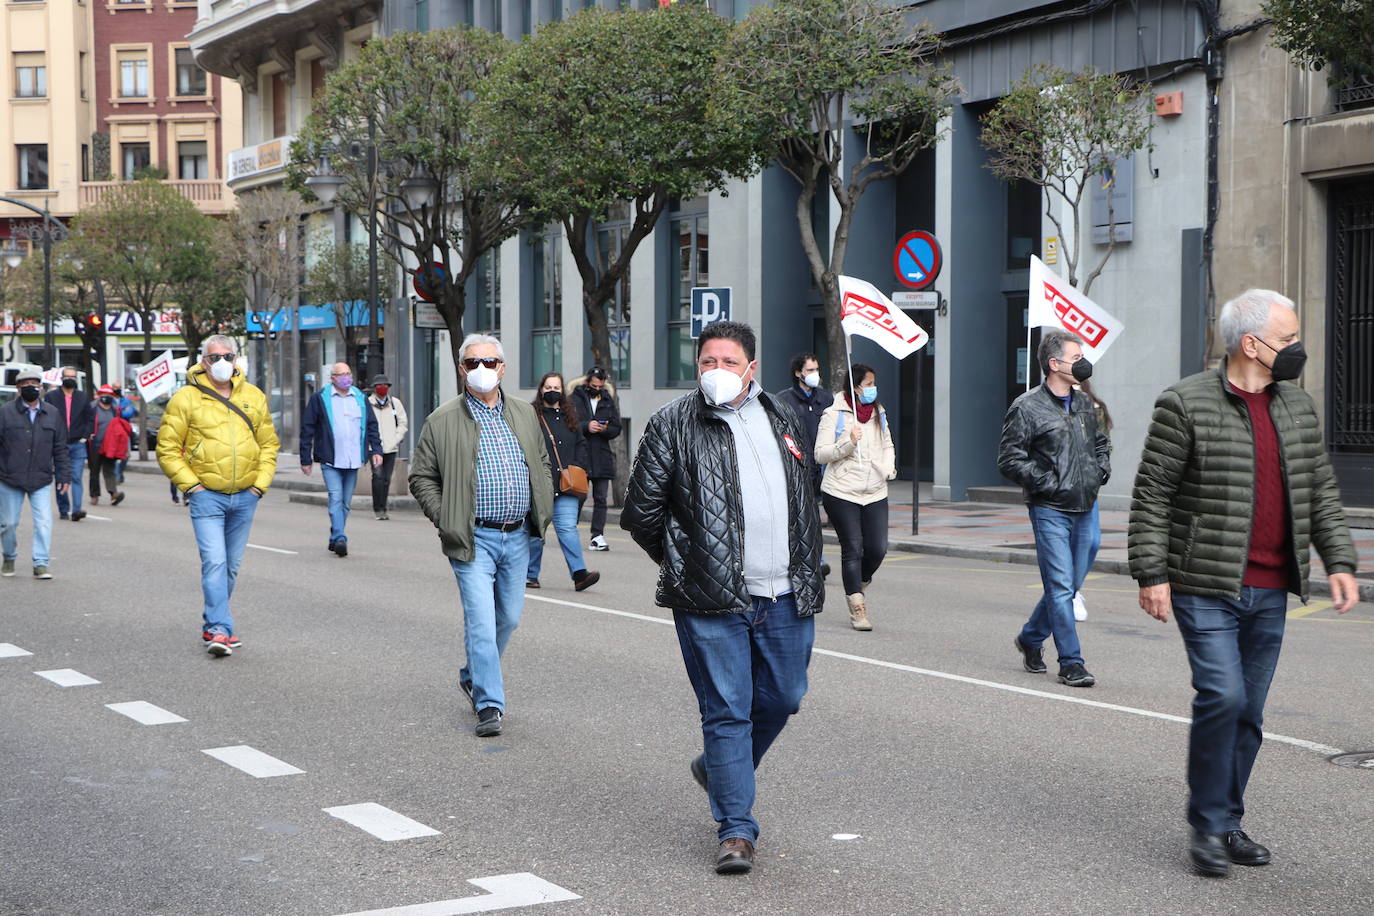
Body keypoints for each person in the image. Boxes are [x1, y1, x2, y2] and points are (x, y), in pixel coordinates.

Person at [1128, 289, 1358, 877]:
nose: (1297, 349)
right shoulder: (1185, 402)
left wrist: (1340, 561)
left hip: (1272, 585)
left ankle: (1226, 821)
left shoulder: (1297, 407)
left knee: (1249, 711)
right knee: (1223, 697)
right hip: (1205, 582)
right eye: (1287, 338)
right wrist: (1151, 572)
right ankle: (1207, 825)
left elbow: (1321, 493)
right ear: (1252, 344)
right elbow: (1153, 493)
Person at [622, 320, 824, 876]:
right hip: (710, 599)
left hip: (784, 591)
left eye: (728, 362)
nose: (716, 371)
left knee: (784, 697)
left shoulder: (782, 417)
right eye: (707, 362)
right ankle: (736, 831)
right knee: (727, 710)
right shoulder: (672, 424)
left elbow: (802, 497)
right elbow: (641, 513)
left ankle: (718, 768)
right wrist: (688, 564)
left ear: (751, 368)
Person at [409, 334, 553, 739]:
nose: (482, 370)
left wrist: (542, 498)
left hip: (518, 534)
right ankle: (489, 703)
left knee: (508, 617)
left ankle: (472, 673)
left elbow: (541, 461)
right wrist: (447, 518)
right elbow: (421, 477)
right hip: (473, 540)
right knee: (482, 623)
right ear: (461, 369)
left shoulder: (525, 413)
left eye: (490, 362)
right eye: (473, 363)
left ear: (503, 368)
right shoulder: (442, 419)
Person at [998, 329, 1109, 688]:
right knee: (1061, 586)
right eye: (1076, 358)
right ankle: (1071, 662)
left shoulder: (1084, 403)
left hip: (1086, 504)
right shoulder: (1027, 407)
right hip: (1050, 508)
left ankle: (1031, 637)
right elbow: (1009, 459)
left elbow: (1101, 443)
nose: (1084, 363)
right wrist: (1048, 483)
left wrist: (1099, 471)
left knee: (1069, 584)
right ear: (1054, 364)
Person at [157, 335, 280, 658]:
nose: (222, 362)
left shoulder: (253, 396)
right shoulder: (186, 398)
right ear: (203, 362)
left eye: (228, 356)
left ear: (237, 359)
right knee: (214, 561)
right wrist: (192, 486)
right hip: (207, 496)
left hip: (245, 495)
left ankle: (214, 623)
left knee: (231, 566)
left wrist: (259, 485)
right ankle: (220, 629)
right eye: (214, 358)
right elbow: (168, 449)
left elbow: (269, 443)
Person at [814, 363, 896, 631]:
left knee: (877, 549)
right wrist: (848, 442)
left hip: (874, 489)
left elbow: (887, 444)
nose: (873, 389)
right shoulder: (833, 413)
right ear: (855, 386)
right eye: (868, 384)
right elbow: (821, 454)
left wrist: (887, 467)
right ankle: (857, 606)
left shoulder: (878, 412)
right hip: (841, 491)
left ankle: (858, 582)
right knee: (853, 548)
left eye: (874, 383)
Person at [300, 362, 382, 557]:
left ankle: (335, 534)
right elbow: (307, 429)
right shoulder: (320, 398)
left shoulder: (360, 397)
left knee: (345, 502)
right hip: (331, 459)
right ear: (333, 378)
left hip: (353, 459)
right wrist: (306, 458)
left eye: (348, 373)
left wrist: (376, 450)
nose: (347, 377)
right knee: (335, 497)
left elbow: (371, 425)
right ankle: (340, 537)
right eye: (342, 374)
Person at [526, 372, 599, 592]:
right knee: (537, 532)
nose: (552, 391)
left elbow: (581, 445)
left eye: (556, 387)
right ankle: (530, 575)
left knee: (567, 529)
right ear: (541, 390)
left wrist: (578, 467)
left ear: (562, 390)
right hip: (541, 484)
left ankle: (579, 575)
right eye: (548, 387)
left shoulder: (571, 416)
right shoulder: (532, 416)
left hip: (567, 485)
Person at [0, 367, 70, 580]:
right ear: (18, 387)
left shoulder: (53, 413)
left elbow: (60, 447)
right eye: (26, 384)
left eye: (35, 383)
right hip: (10, 477)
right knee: (9, 523)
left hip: (40, 477)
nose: (31, 387)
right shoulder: (5, 412)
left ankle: (40, 562)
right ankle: (9, 556)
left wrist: (64, 475)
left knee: (44, 522)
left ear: (41, 386)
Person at [774, 353, 835, 578]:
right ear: (798, 373)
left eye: (816, 369)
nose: (814, 374)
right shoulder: (784, 400)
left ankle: (813, 559)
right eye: (810, 370)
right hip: (799, 468)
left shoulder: (827, 399)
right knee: (807, 516)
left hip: (824, 467)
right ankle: (816, 560)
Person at [1071, 377, 1114, 623]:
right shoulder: (1046, 403)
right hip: (1058, 490)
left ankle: (1072, 589)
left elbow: (1105, 447)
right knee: (1068, 543)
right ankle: (1069, 592)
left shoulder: (1094, 407)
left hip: (1087, 487)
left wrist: (1098, 471)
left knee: (1091, 541)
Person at [569, 366, 620, 552]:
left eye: (600, 386)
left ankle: (597, 536)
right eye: (594, 385)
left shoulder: (607, 399)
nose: (597, 389)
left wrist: (604, 429)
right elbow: (569, 424)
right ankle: (569, 531)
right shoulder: (574, 399)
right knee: (579, 497)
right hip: (581, 457)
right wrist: (586, 426)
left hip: (601, 456)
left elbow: (617, 427)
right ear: (587, 382)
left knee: (600, 499)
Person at [45, 367, 93, 522]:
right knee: (61, 477)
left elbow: (89, 419)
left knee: (77, 477)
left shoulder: (83, 397)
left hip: (78, 444)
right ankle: (64, 509)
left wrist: (85, 436)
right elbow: (46, 418)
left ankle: (77, 510)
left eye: (73, 376)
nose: (70, 379)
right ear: (62, 378)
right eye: (68, 376)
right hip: (59, 444)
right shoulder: (51, 397)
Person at [367, 374, 409, 520]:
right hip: (374, 449)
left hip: (391, 448)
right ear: (374, 388)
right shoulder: (368, 403)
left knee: (386, 479)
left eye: (385, 385)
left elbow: (403, 423)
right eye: (379, 386)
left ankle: (383, 508)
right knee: (377, 476)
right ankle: (377, 508)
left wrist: (396, 439)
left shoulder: (394, 403)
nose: (382, 388)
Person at [88, 384, 131, 508]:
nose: (106, 397)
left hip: (110, 445)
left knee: (109, 470)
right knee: (94, 471)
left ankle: (113, 494)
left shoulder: (115, 409)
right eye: (103, 395)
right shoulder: (93, 407)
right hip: (95, 444)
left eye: (108, 395)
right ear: (99, 395)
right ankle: (94, 495)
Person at [111, 385, 136, 483]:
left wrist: (119, 411)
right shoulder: (110, 400)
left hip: (124, 430)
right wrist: (122, 410)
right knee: (113, 454)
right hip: (112, 431)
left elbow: (129, 413)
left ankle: (120, 472)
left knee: (126, 455)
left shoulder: (126, 401)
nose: (117, 389)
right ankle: (116, 475)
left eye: (118, 387)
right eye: (115, 387)